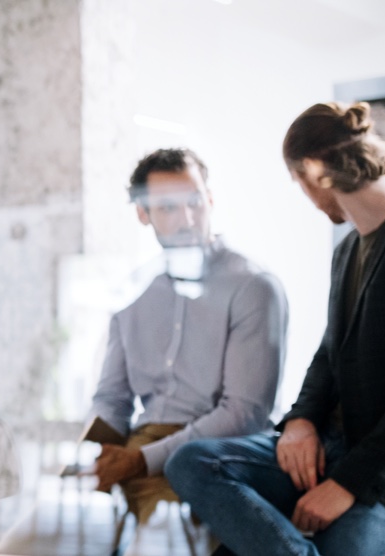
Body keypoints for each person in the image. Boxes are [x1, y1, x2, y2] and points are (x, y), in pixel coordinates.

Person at [167, 102, 385, 556]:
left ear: (313, 172)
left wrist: (347, 485)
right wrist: (301, 423)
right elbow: (330, 354)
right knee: (191, 463)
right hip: (334, 451)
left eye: (298, 183)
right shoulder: (348, 249)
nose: (305, 196)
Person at [87, 148, 288, 525]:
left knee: (163, 532)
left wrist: (140, 460)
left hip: (218, 457)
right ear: (142, 214)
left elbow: (243, 415)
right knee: (33, 536)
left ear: (210, 200)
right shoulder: (133, 294)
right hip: (138, 453)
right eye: (167, 208)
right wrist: (105, 448)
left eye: (194, 202)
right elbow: (111, 397)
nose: (187, 219)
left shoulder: (253, 287)